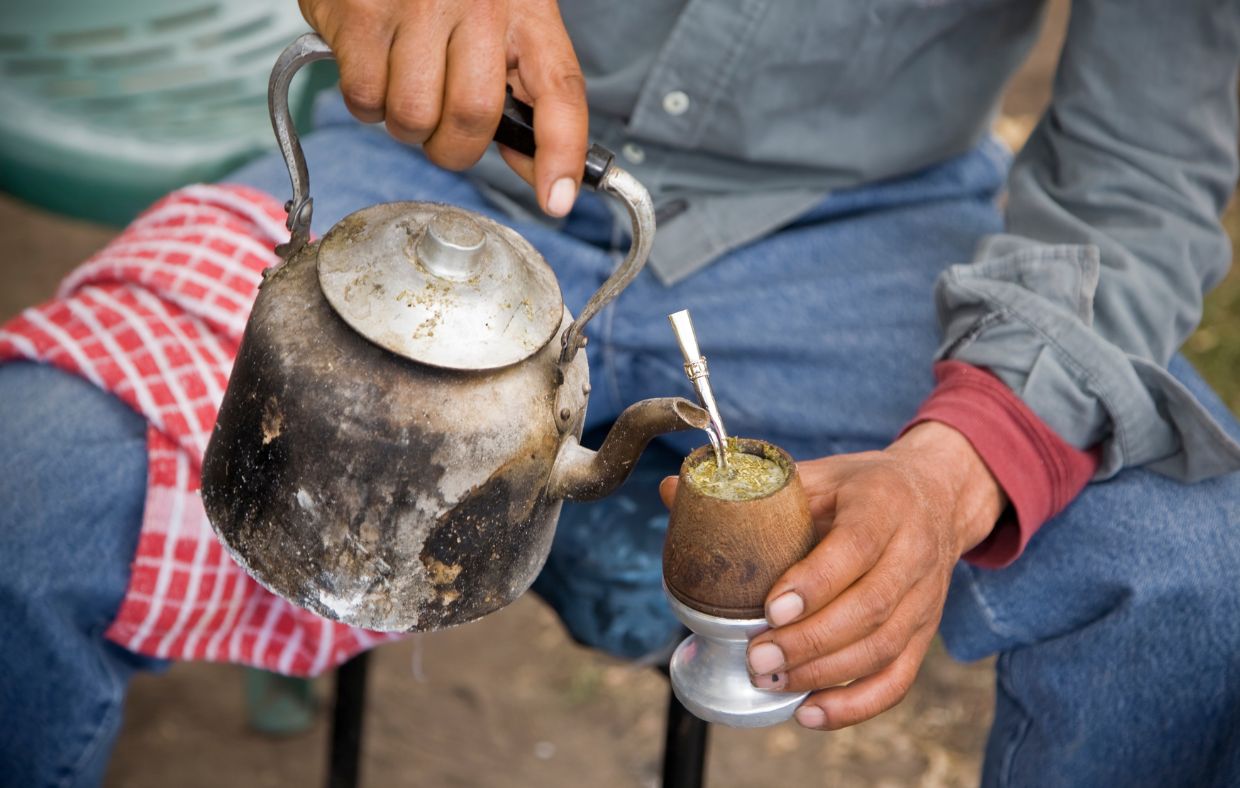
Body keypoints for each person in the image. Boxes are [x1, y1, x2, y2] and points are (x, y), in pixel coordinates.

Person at [2, 0, 1239, 784]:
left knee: (1195, 572)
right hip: (443, 166)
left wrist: (962, 460)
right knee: (28, 488)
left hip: (859, 229)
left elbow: (1141, 172)